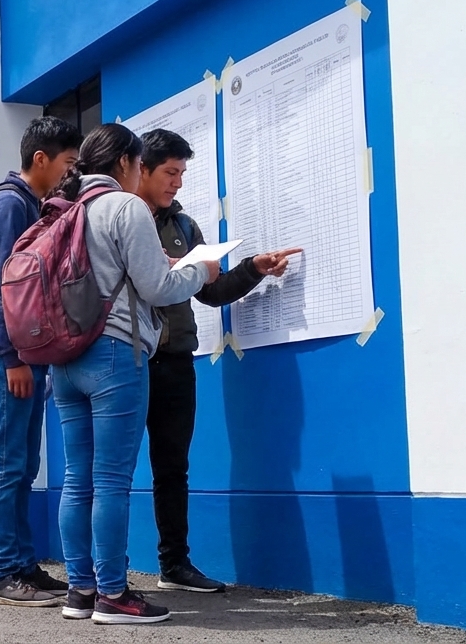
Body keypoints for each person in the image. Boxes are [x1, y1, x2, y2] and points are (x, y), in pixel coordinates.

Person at [48, 123, 219, 624]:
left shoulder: (64, 207)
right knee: (111, 481)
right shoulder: (125, 207)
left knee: (77, 480)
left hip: (64, 359)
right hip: (115, 354)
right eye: (143, 164)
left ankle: (80, 591)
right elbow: (160, 286)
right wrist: (200, 271)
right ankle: (115, 595)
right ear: (126, 164)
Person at [134, 129, 300, 593]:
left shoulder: (187, 229)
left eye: (183, 173)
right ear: (141, 169)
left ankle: (175, 566)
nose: (178, 183)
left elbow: (211, 291)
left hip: (176, 362)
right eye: (170, 172)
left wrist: (253, 269)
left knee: (173, 466)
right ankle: (106, 575)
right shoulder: (121, 219)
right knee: (111, 467)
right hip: (127, 361)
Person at [0, 115, 82, 607]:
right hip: (3, 359)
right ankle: (1, 574)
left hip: (19, 359)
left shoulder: (29, 206)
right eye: (67, 163)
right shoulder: (8, 205)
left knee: (22, 464)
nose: (69, 173)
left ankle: (21, 565)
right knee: (5, 463)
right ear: (41, 159)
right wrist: (14, 357)